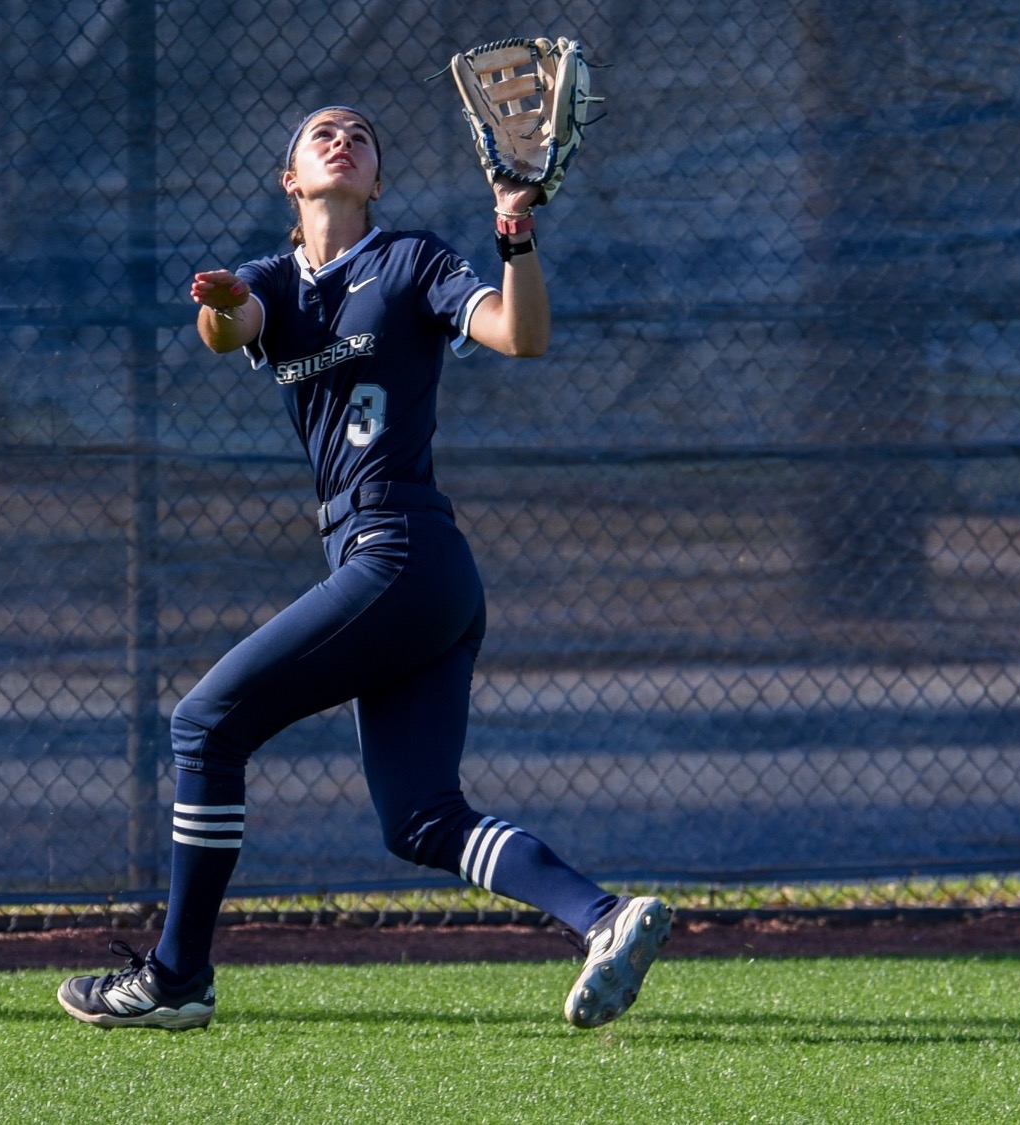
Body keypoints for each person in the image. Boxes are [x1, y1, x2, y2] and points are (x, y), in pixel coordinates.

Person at [58, 106, 671, 1031]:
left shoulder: (412, 260)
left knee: (206, 725)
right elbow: (232, 329)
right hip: (410, 575)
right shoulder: (272, 278)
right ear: (290, 181)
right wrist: (220, 303)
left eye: (362, 136)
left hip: (403, 549)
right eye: (322, 134)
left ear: (376, 180)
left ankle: (178, 976)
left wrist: (516, 226)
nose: (343, 139)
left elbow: (522, 335)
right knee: (419, 818)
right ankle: (603, 915)